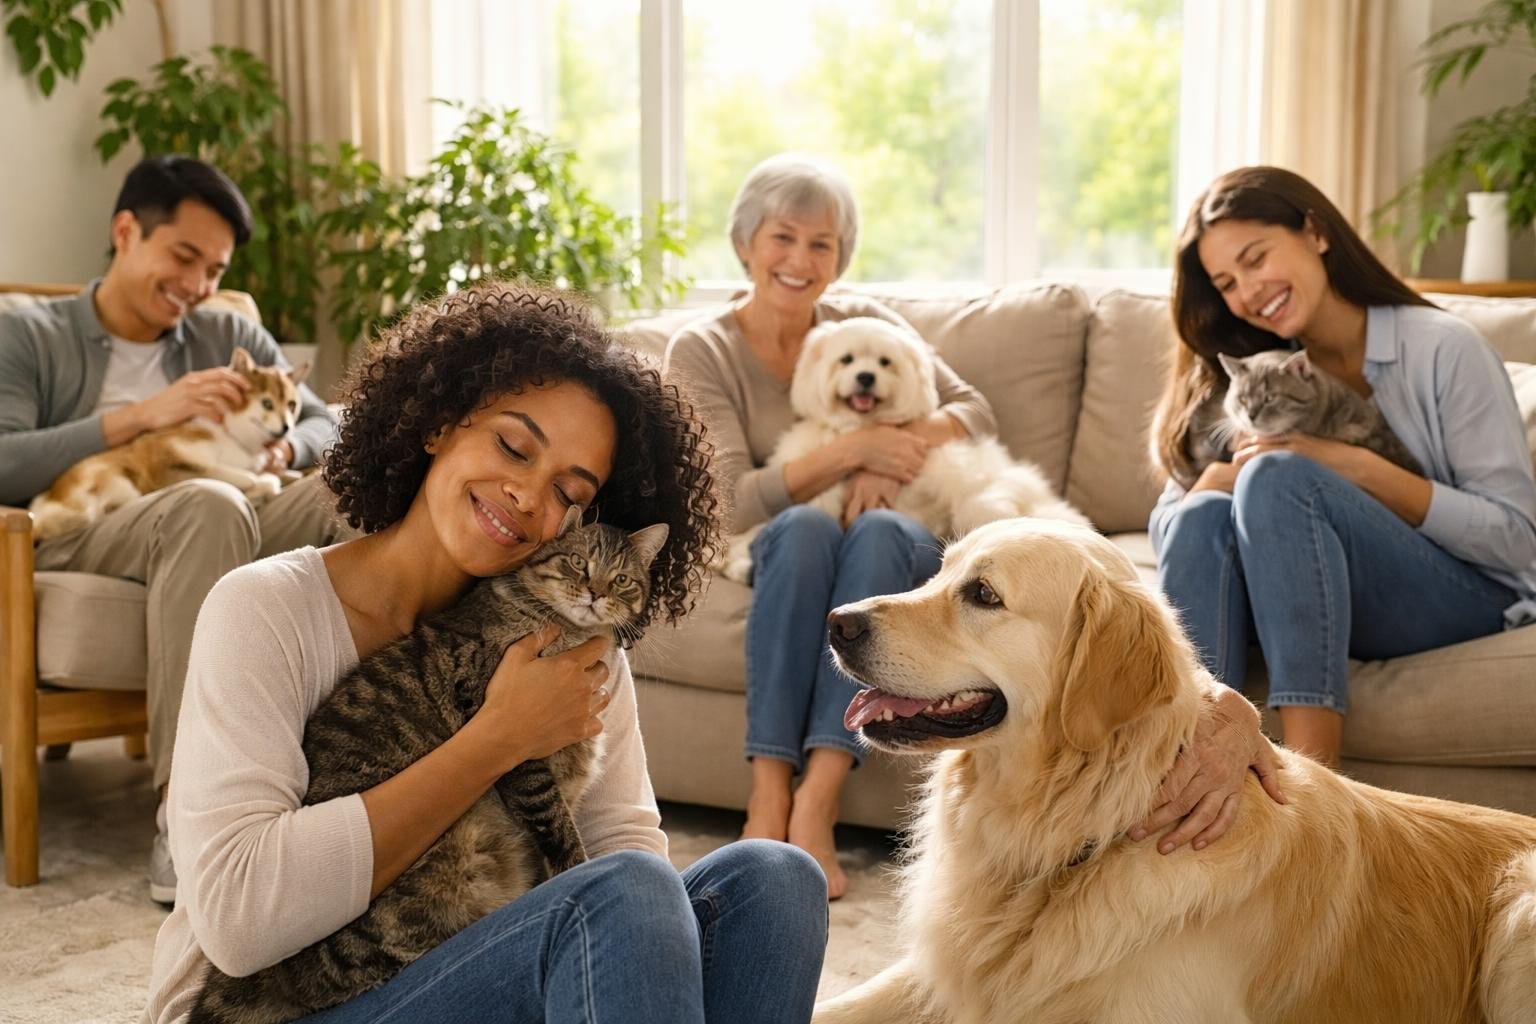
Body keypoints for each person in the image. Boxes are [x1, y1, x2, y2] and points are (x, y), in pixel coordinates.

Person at [143, 282, 829, 1024]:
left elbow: (623, 847)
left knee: (777, 877)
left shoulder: (575, 634)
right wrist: (496, 740)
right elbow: (240, 927)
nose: (529, 497)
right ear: (439, 423)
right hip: (290, 1004)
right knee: (620, 894)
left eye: (569, 491)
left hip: (476, 966)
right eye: (512, 445)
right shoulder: (264, 608)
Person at [663, 153, 1283, 900]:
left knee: (886, 533)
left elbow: (970, 412)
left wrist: (895, 453)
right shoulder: (703, 348)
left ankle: (818, 799)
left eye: (821, 244)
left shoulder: (867, 323)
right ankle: (767, 797)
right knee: (801, 531)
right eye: (783, 238)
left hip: (880, 537)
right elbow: (726, 500)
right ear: (745, 243)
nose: (800, 260)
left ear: (841, 257)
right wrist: (851, 453)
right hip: (792, 541)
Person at [0, 155, 347, 904]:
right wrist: (141, 415)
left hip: (233, 497)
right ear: (126, 232)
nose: (197, 286)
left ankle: (363, 775)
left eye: (214, 269)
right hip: (84, 524)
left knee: (344, 493)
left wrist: (284, 448)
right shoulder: (28, 333)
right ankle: (186, 812)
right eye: (184, 257)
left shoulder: (224, 327)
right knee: (207, 507)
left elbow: (325, 418)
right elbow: (3, 463)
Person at [1150, 165, 1536, 767]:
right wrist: (1211, 482)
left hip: (1463, 592)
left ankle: (1311, 788)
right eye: (1226, 282)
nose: (1247, 293)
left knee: (1279, 477)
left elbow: (1516, 541)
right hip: (1315, 593)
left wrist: (1348, 465)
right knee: (1202, 511)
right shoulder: (1256, 370)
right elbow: (1173, 529)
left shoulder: (1442, 348)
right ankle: (1186, 772)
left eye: (1256, 258)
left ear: (1316, 232)